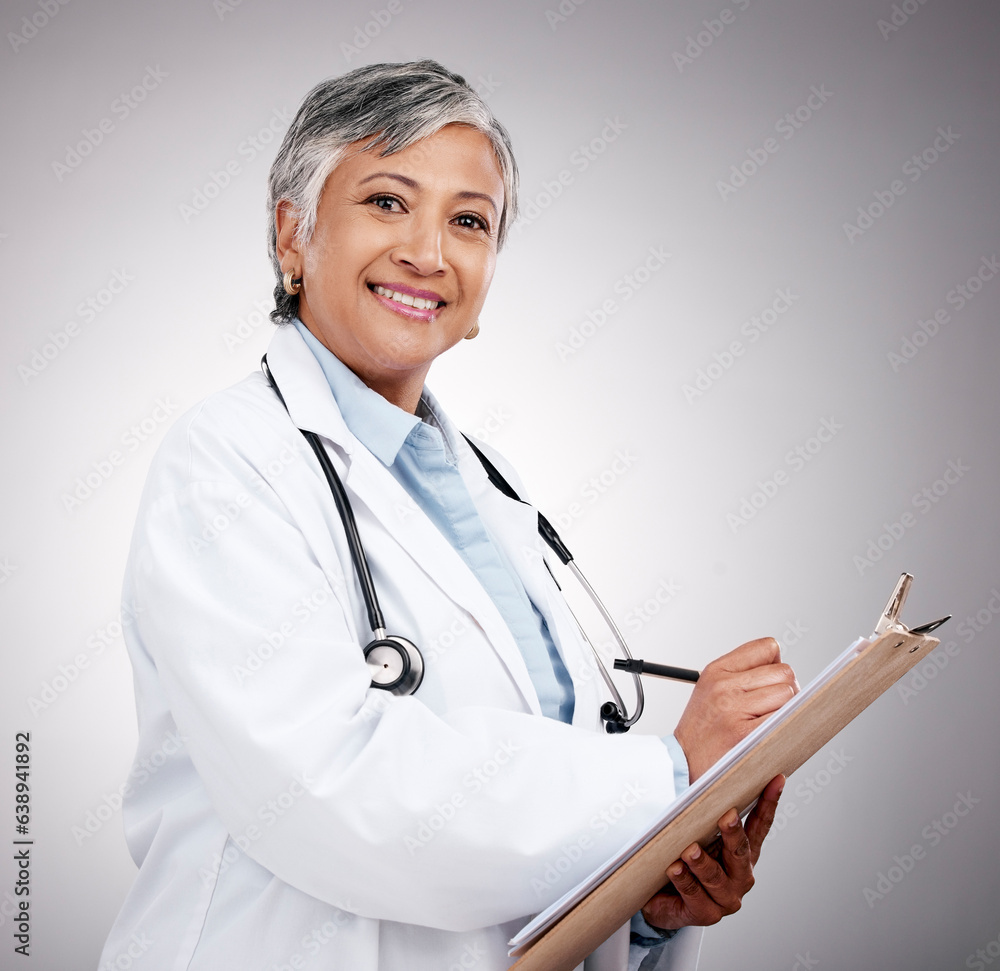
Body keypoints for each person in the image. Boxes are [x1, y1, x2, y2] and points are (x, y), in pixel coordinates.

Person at [98, 60, 798, 971]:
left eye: (470, 221)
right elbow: (327, 790)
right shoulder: (224, 466)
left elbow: (527, 819)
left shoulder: (491, 490)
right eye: (388, 202)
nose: (429, 252)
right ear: (292, 236)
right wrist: (667, 778)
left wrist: (648, 894)